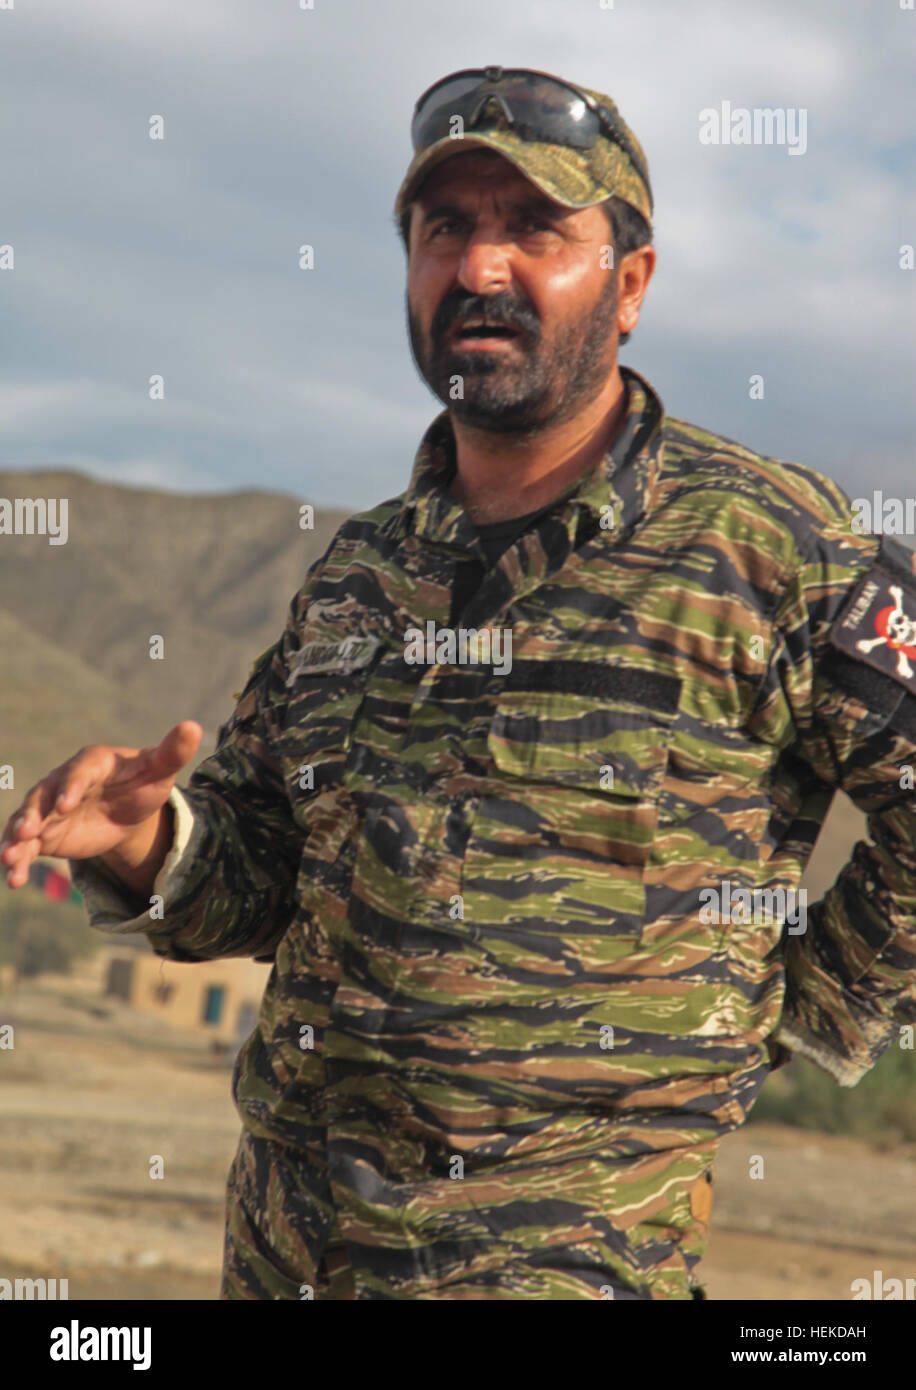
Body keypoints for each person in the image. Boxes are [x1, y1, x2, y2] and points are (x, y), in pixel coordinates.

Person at [3, 66, 916, 1301]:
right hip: (289, 1256)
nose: (481, 268)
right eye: (446, 230)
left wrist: (803, 1006)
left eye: (535, 228)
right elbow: (261, 877)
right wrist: (148, 843)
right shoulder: (360, 573)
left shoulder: (770, 545)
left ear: (630, 284)